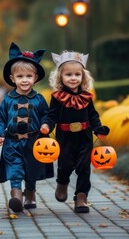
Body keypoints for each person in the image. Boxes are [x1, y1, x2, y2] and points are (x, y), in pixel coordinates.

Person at [0, 42, 53, 212]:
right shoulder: (8, 99)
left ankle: (30, 193)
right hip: (12, 143)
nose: (24, 80)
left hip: (34, 141)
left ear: (35, 78)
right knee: (15, 168)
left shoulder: (39, 99)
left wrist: (45, 125)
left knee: (31, 170)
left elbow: (46, 115)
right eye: (20, 77)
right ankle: (16, 195)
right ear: (13, 79)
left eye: (28, 76)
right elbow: (1, 119)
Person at [47, 51, 110, 213]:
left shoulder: (87, 97)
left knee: (83, 167)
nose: (73, 78)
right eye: (68, 74)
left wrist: (98, 129)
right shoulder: (57, 97)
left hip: (84, 136)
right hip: (65, 137)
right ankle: (62, 182)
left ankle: (81, 197)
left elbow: (93, 115)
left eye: (77, 74)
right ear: (60, 76)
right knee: (65, 165)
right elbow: (52, 115)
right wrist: (47, 125)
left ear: (83, 76)